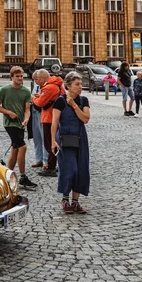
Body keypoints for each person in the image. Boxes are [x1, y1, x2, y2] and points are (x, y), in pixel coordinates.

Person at [51, 72, 92, 214]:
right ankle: (65, 199)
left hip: (80, 138)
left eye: (80, 84)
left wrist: (74, 105)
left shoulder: (83, 100)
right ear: (68, 86)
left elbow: (85, 118)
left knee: (81, 170)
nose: (80, 87)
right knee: (70, 169)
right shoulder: (60, 101)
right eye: (77, 84)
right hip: (64, 138)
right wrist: (52, 141)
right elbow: (54, 122)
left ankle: (75, 202)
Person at [0, 66, 38, 191]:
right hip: (9, 123)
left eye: (21, 76)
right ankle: (23, 177)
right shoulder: (4, 90)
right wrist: (8, 112)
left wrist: (26, 119)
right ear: (12, 77)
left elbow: (27, 109)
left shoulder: (25, 91)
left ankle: (8, 175)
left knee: (15, 149)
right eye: (17, 76)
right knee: (22, 146)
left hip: (20, 124)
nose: (20, 78)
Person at [31, 69, 63, 177]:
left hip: (49, 118)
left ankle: (51, 167)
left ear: (43, 78)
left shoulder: (49, 87)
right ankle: (55, 165)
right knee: (54, 141)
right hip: (57, 117)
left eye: (38, 79)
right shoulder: (58, 86)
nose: (37, 82)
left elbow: (39, 104)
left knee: (49, 143)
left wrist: (34, 98)